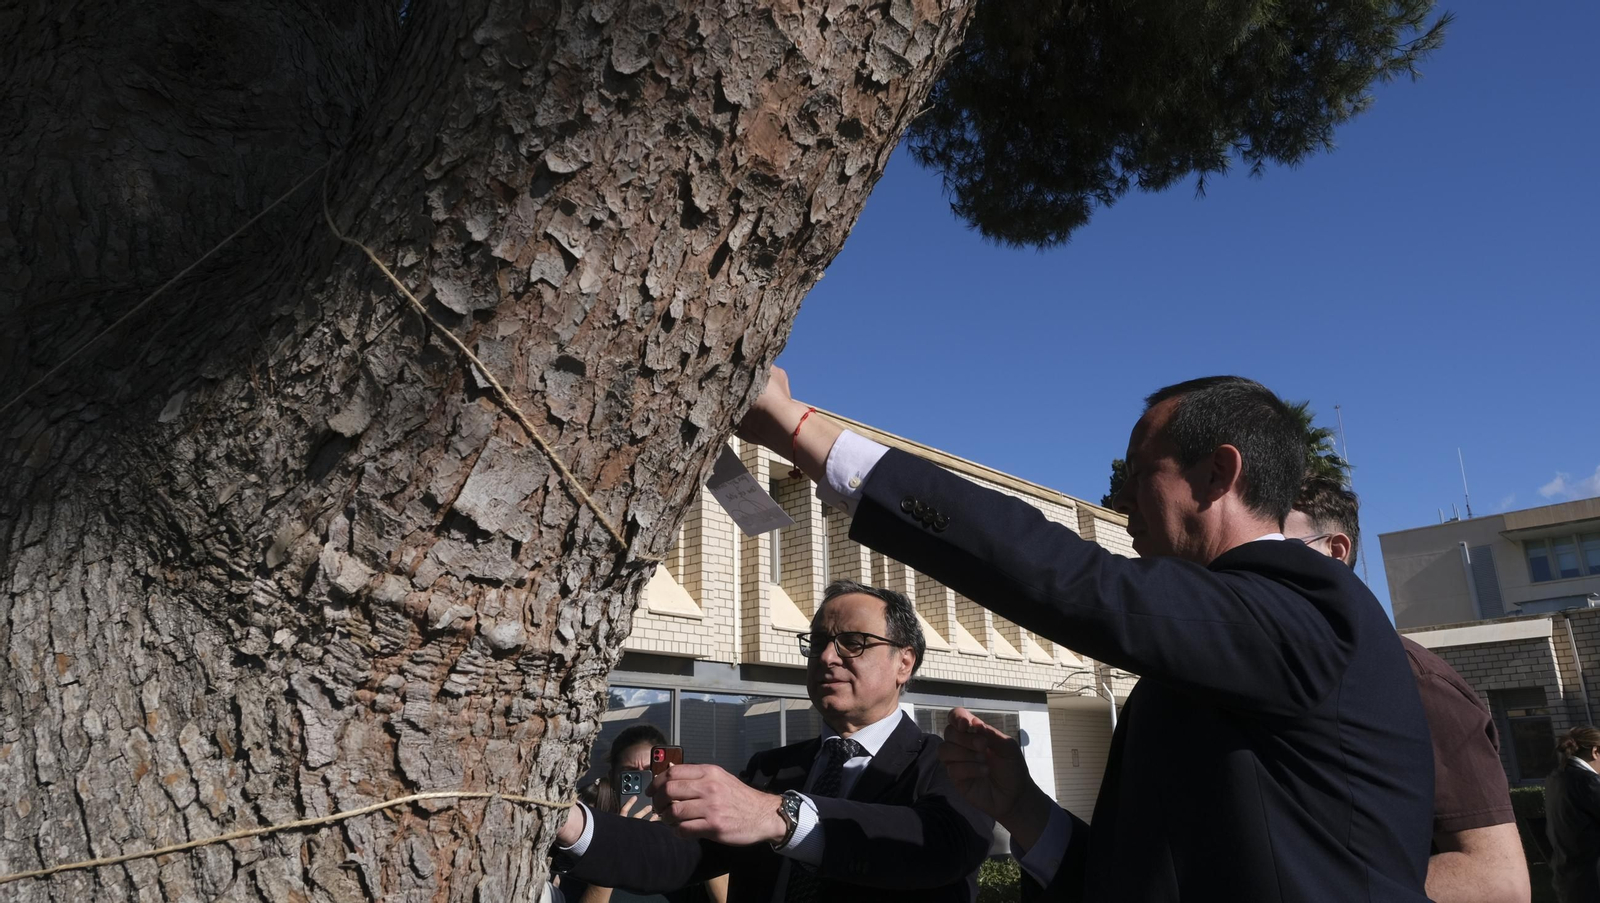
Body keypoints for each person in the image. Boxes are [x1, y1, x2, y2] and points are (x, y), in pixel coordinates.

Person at [735, 367, 1434, 901]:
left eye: (1138, 474)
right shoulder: (1214, 659)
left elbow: (1070, 580)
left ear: (1220, 472)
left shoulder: (1311, 607)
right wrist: (1024, 809)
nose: (1118, 500)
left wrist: (797, 429)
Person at [552, 580, 993, 902]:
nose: (826, 656)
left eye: (853, 643)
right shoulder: (771, 769)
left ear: (904, 662)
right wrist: (566, 820)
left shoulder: (947, 762)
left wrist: (778, 816)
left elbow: (941, 846)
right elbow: (680, 854)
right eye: (818, 641)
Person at [1287, 475, 1529, 903]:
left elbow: (1496, 878)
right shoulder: (1271, 673)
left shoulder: (1413, 679)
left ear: (1335, 551)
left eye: (1276, 551)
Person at [1545, 727, 1600, 903]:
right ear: (1595, 751)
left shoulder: (1555, 778)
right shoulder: (1587, 782)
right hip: (1593, 881)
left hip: (1568, 880)